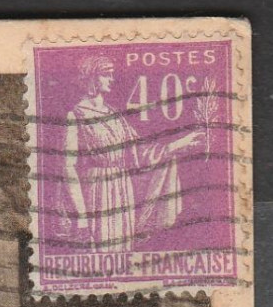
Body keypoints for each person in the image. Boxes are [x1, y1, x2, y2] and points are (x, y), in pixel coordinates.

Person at [62, 54, 205, 249]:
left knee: (122, 250)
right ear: (92, 77)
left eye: (111, 74)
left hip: (122, 189)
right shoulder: (76, 115)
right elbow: (68, 167)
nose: (111, 79)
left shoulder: (115, 115)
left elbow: (140, 152)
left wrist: (180, 143)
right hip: (97, 190)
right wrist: (81, 216)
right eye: (106, 75)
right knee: (101, 251)